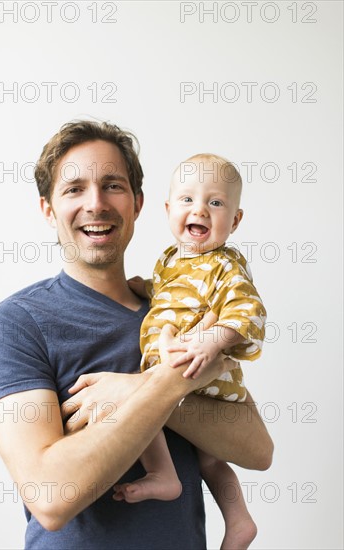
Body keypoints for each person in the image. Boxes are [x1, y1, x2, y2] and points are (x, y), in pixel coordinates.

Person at [0, 120, 273, 550]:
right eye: (74, 189)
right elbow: (49, 496)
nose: (96, 203)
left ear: (138, 203)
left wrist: (132, 390)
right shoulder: (16, 324)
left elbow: (257, 451)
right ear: (47, 210)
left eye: (112, 185)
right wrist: (172, 382)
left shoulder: (178, 310)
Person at [113, 153, 266, 549]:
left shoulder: (225, 265)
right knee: (211, 459)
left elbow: (248, 310)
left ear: (234, 221)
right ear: (167, 209)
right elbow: (171, 295)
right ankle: (239, 519)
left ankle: (163, 474)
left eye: (215, 203)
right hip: (183, 364)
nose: (199, 209)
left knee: (144, 400)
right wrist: (143, 287)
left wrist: (213, 340)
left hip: (202, 364)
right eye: (187, 199)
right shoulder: (169, 259)